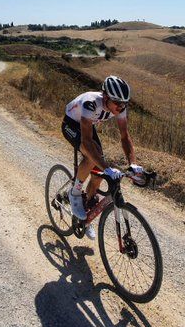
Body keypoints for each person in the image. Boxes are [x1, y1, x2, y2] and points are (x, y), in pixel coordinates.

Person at [61, 76, 144, 233]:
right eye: (118, 103)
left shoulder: (119, 107)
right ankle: (75, 192)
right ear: (105, 97)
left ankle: (85, 216)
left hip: (87, 126)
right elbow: (86, 141)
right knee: (92, 158)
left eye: (124, 103)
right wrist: (107, 167)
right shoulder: (90, 103)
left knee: (98, 174)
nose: (121, 107)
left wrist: (133, 164)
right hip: (71, 124)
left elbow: (125, 136)